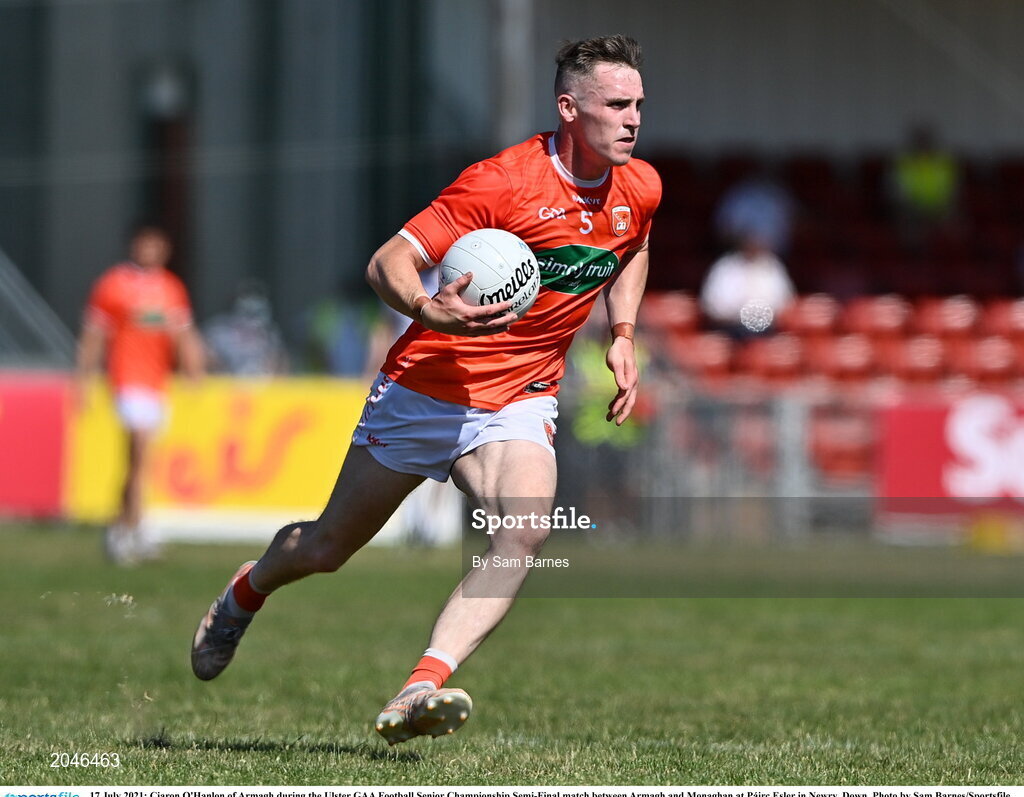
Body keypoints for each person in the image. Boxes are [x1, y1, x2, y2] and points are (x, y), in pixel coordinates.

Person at [190, 35, 660, 745]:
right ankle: (244, 592)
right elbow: (391, 262)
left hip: (521, 395)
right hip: (425, 389)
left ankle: (420, 686)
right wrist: (426, 307)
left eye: (638, 106)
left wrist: (621, 332)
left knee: (525, 527)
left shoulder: (640, 186)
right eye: (616, 104)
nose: (632, 119)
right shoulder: (500, 183)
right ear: (569, 107)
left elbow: (634, 244)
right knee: (323, 548)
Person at [75, 222, 205, 564]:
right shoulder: (113, 284)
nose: (150, 251)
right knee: (139, 450)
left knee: (140, 461)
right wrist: (84, 378)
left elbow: (184, 333)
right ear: (133, 246)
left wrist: (194, 370)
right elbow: (94, 334)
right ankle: (135, 530)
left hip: (157, 383)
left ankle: (122, 527)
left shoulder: (171, 287)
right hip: (126, 380)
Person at [205, 279, 289, 376]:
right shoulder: (218, 332)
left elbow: (279, 364)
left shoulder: (270, 334)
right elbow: (206, 360)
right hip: (225, 385)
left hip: (262, 386)